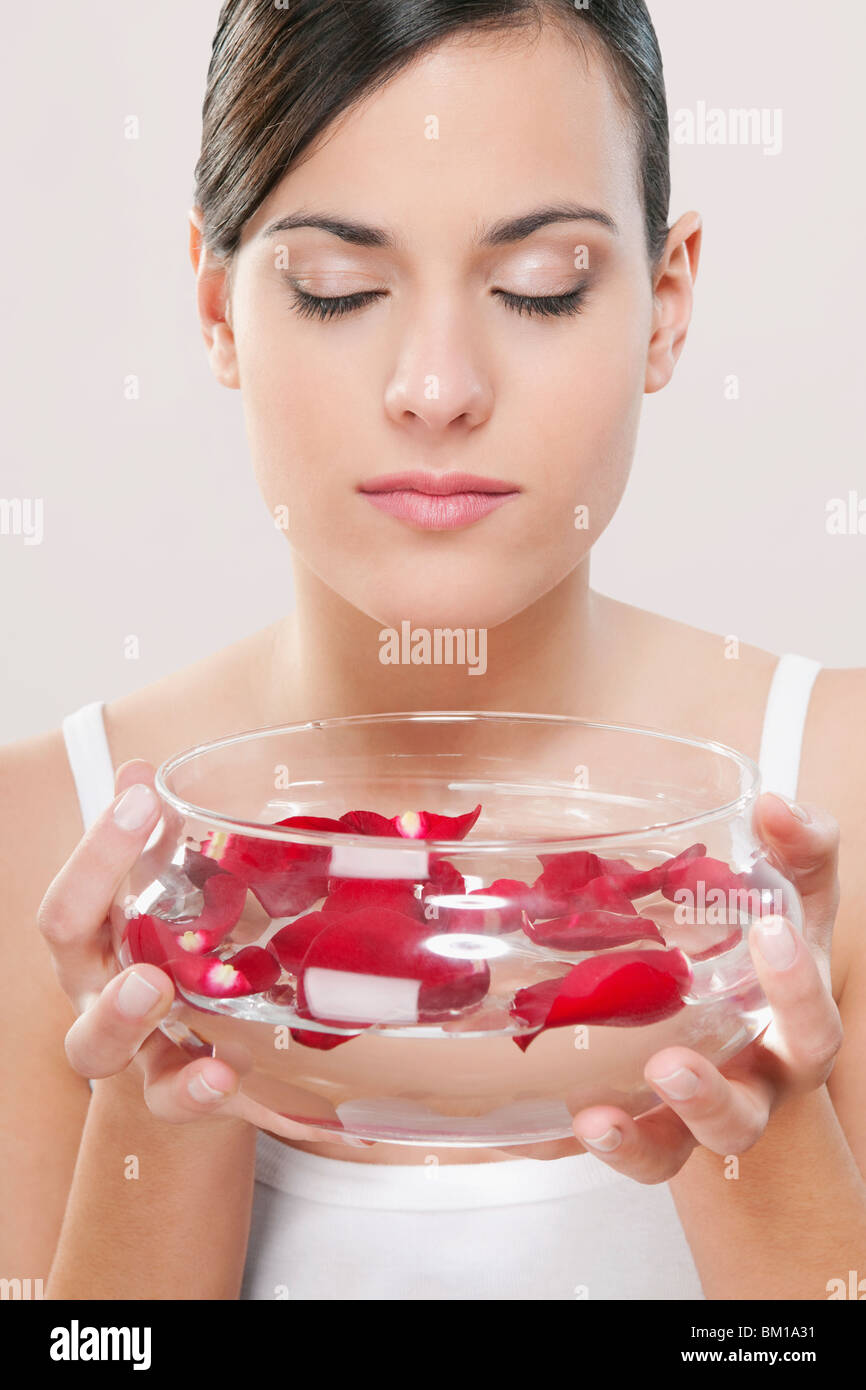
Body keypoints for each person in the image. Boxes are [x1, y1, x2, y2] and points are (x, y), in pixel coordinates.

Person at [3, 0, 864, 1301]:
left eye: (539, 287)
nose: (436, 384)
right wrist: (164, 1097)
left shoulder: (830, 799)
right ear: (217, 308)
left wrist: (746, 1112)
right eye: (337, 288)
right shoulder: (47, 844)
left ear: (665, 304)